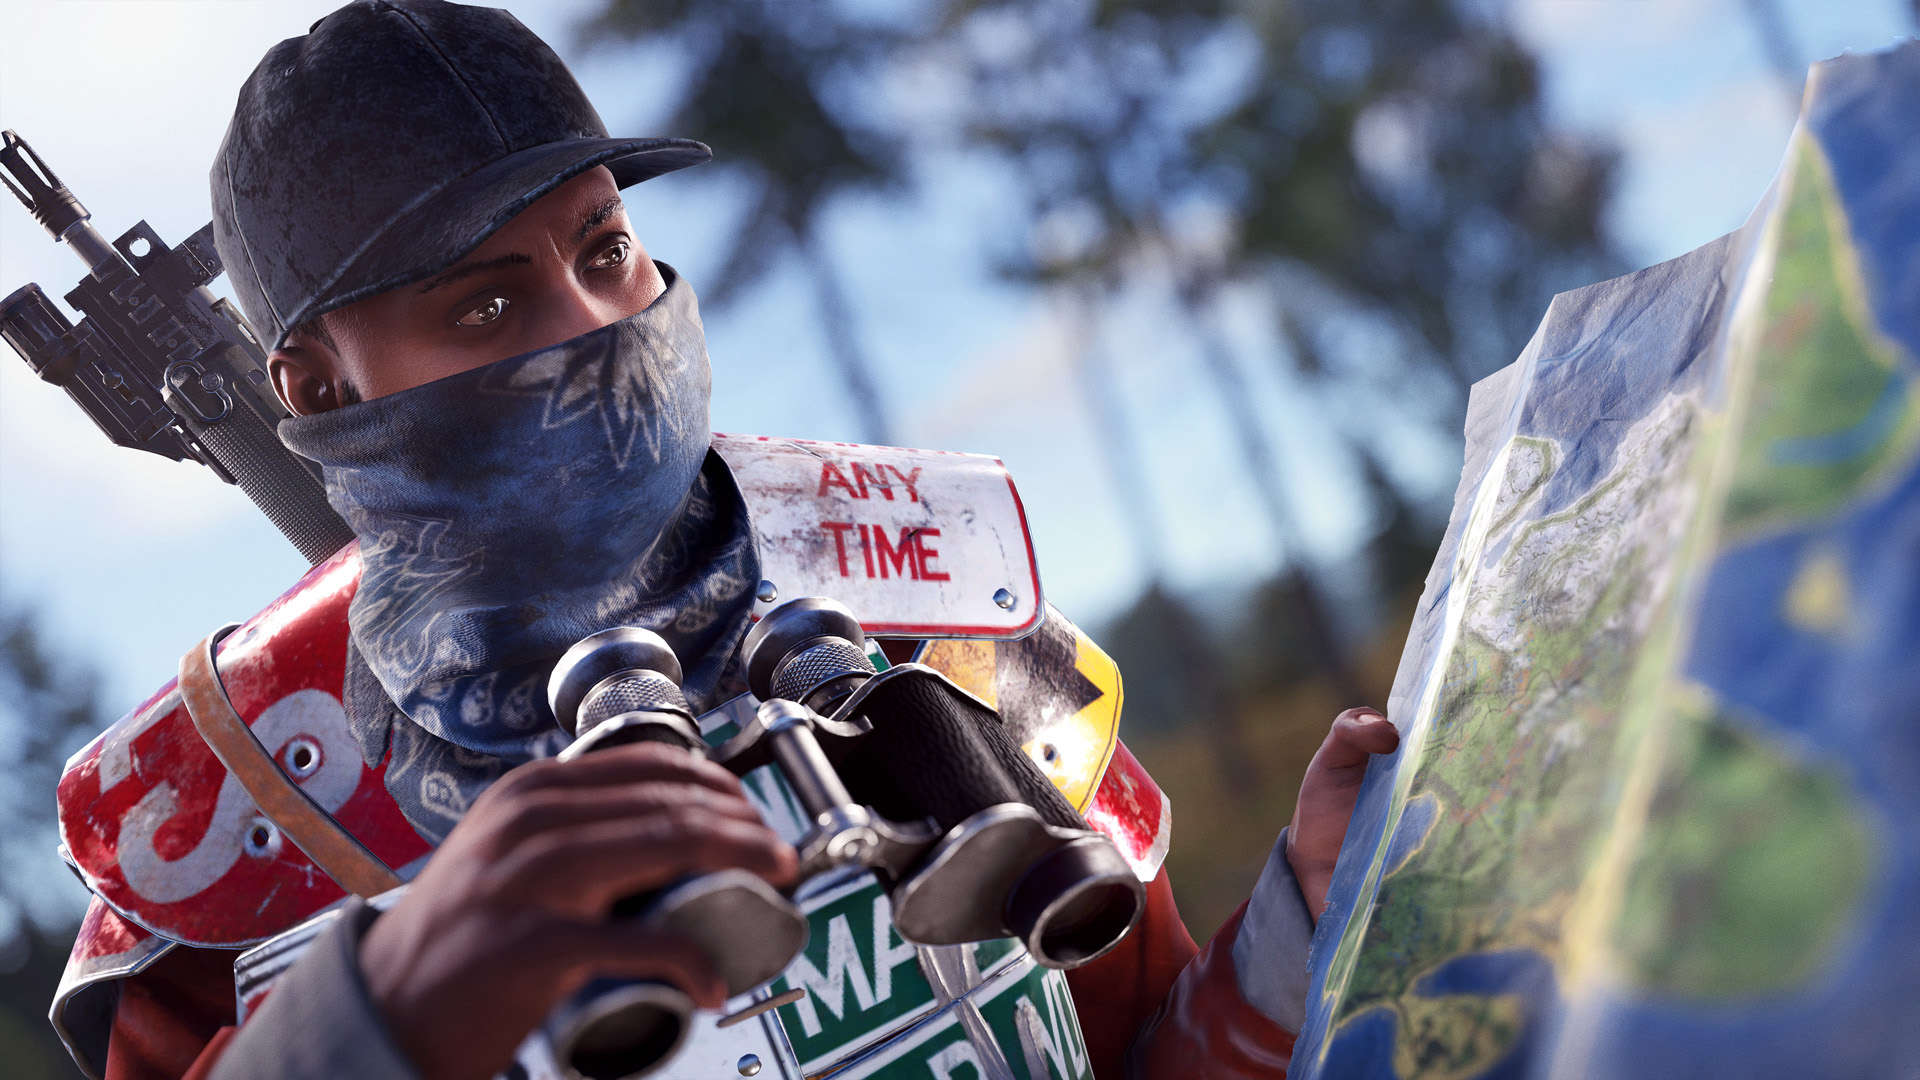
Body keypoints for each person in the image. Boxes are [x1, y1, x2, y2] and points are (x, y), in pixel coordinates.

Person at [55, 3, 1401, 1078]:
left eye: (606, 247)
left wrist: (1300, 914)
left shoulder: (928, 612)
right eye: (482, 307)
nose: (590, 325)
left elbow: (1144, 1041)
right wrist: (371, 1027)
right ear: (320, 392)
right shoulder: (233, 827)